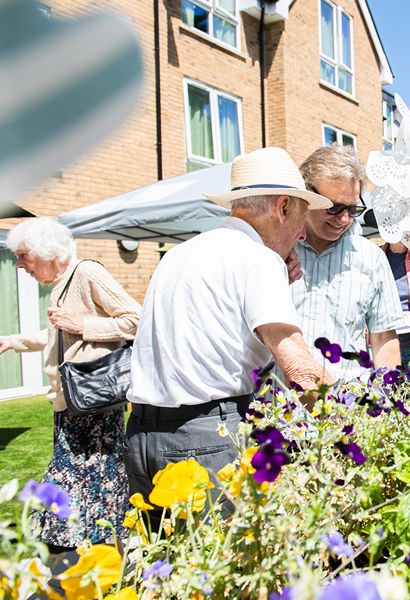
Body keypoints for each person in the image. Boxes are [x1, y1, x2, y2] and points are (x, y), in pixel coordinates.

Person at [125, 147, 332, 513]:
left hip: (143, 437)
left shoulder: (178, 253)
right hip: (207, 441)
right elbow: (300, 371)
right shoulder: (258, 259)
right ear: (282, 207)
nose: (301, 234)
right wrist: (347, 429)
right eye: (302, 216)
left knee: (164, 565)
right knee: (222, 565)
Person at [0, 218, 140, 554]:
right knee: (95, 479)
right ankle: (100, 548)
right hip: (73, 403)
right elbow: (57, 337)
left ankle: (85, 550)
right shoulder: (60, 283)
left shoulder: (86, 273)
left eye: (23, 256)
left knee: (82, 477)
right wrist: (12, 340)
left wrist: (83, 325)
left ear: (47, 251)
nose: (20, 265)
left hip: (94, 400)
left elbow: (137, 318)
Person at [292, 145, 403, 381]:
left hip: (348, 406)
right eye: (333, 208)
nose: (343, 219)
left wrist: (387, 399)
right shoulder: (277, 252)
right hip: (280, 408)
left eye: (352, 209)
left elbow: (384, 340)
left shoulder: (371, 259)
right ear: (306, 195)